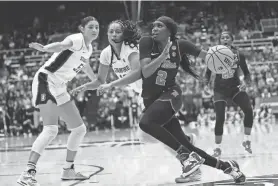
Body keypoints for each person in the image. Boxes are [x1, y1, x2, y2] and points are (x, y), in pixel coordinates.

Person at [97, 16, 246, 184]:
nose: (154, 28)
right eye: (153, 25)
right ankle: (228, 167)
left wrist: (228, 61)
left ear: (169, 30)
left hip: (170, 94)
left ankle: (185, 157)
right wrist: (163, 56)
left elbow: (208, 56)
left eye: (159, 26)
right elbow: (145, 71)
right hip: (151, 100)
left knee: (145, 124)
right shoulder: (146, 42)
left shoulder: (180, 45)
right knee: (188, 148)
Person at [17, 16, 99, 186]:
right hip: (46, 80)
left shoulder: (89, 49)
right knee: (51, 130)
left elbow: (85, 67)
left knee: (79, 129)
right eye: (91, 26)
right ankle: (27, 173)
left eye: (97, 27)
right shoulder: (76, 39)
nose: (95, 30)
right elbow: (61, 46)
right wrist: (45, 48)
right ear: (82, 29)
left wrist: (98, 82)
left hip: (60, 87)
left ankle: (68, 170)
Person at [205, 31, 254, 157]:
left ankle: (246, 140)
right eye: (222, 37)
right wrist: (205, 82)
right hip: (219, 89)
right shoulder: (214, 54)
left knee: (248, 110)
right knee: (220, 118)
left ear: (232, 40)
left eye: (227, 37)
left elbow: (247, 73)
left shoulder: (238, 54)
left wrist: (246, 83)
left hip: (235, 87)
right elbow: (208, 73)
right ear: (220, 41)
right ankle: (217, 148)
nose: (225, 39)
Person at [71, 19, 142, 96]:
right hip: (141, 92)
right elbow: (100, 81)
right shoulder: (106, 53)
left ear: (124, 34)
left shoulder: (130, 48)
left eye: (118, 32)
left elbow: (137, 73)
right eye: (111, 32)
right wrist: (84, 87)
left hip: (153, 86)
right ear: (107, 34)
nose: (114, 34)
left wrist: (111, 85)